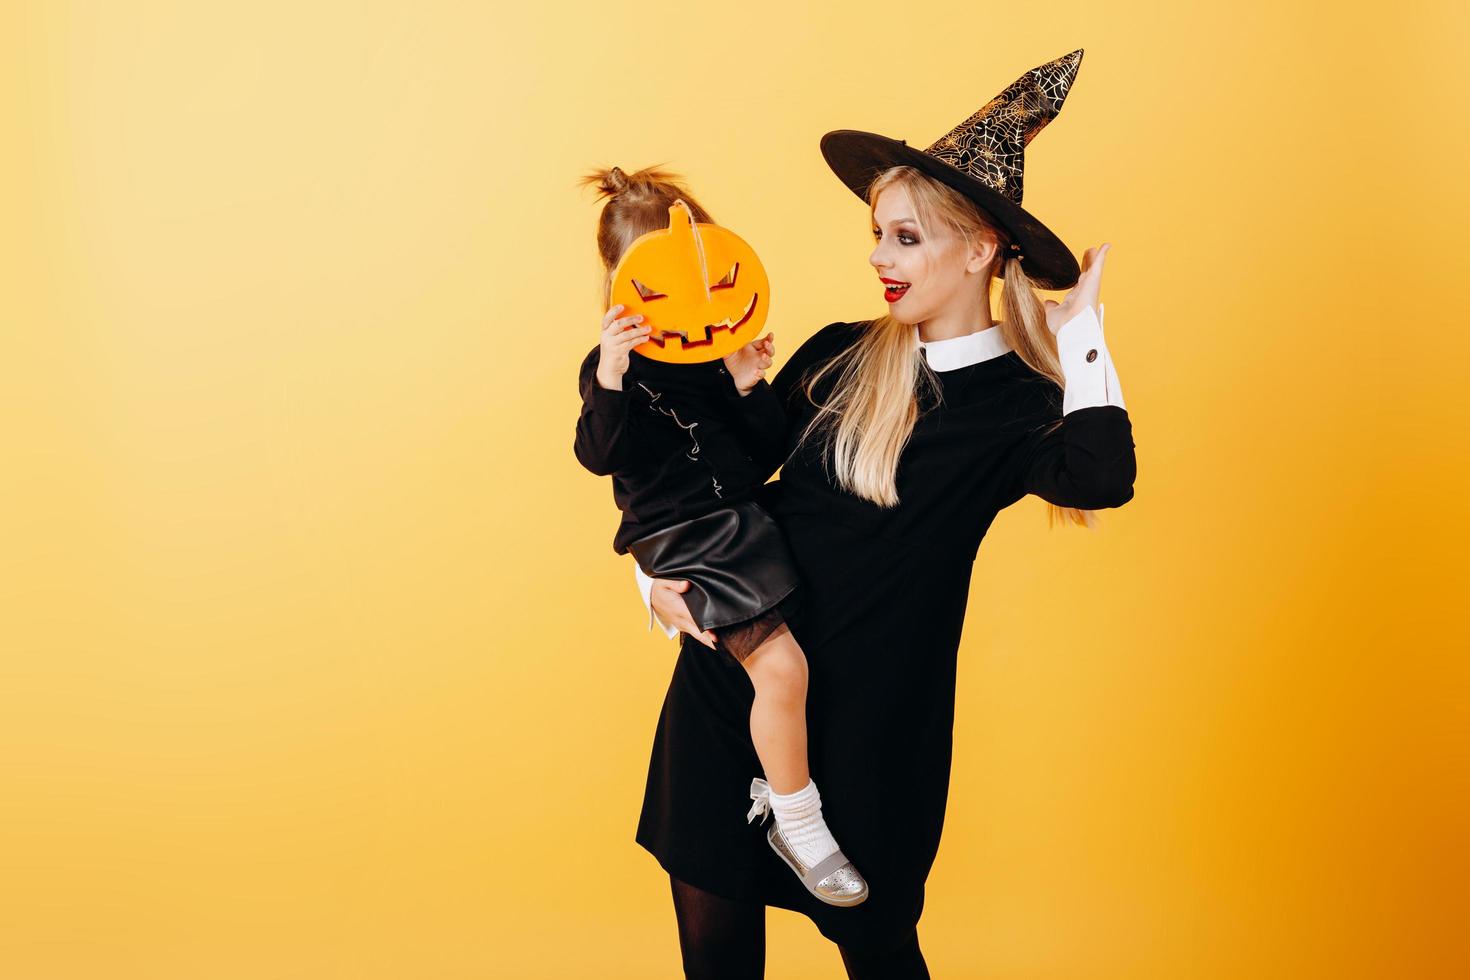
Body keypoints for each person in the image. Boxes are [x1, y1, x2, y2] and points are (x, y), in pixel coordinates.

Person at [630, 49, 1137, 978]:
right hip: (734, 695)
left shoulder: (1020, 404)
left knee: (880, 949)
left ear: (980, 247)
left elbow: (1101, 478)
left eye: (905, 238)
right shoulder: (837, 354)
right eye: (878, 234)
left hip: (873, 730)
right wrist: (655, 578)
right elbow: (720, 478)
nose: (876, 256)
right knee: (716, 953)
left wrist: (1084, 338)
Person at [573, 165, 871, 907]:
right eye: (660, 281)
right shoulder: (616, 371)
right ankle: (799, 823)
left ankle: (786, 799)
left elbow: (767, 453)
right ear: (624, 286)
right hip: (683, 540)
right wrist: (610, 374)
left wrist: (745, 381)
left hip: (743, 527)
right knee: (781, 670)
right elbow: (599, 456)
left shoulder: (712, 352)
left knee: (801, 659)